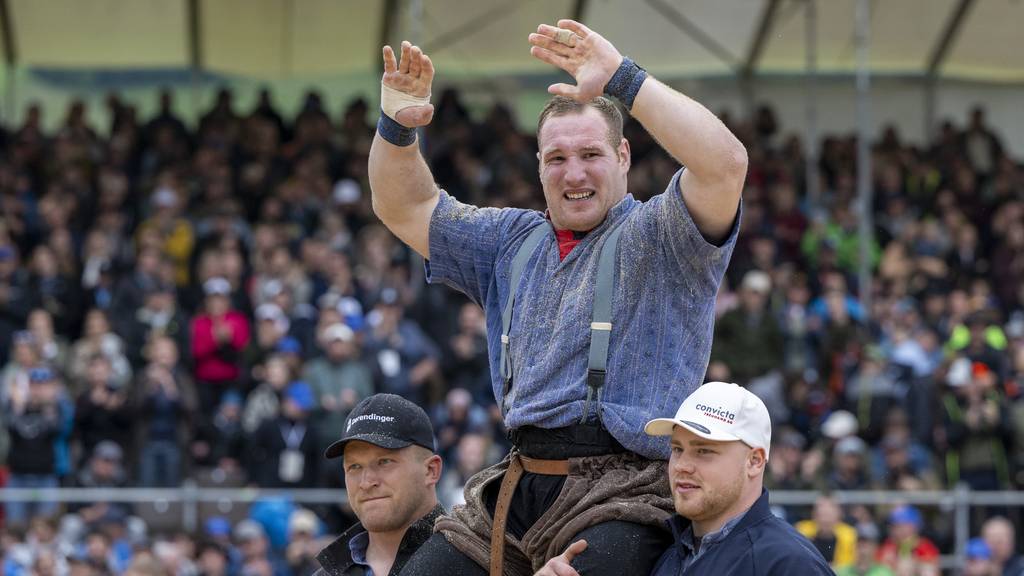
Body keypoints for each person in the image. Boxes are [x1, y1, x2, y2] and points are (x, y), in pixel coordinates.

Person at [371, 17, 746, 576]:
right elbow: (404, 208)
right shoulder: (509, 242)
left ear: (622, 157)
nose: (574, 173)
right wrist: (397, 129)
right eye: (556, 158)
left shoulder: (664, 233)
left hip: (627, 492)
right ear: (539, 167)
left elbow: (726, 164)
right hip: (517, 483)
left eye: (591, 155)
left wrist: (623, 77)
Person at [536, 382, 832, 575]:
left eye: (704, 451)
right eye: (677, 449)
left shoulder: (788, 563)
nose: (682, 466)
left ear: (754, 461)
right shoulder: (671, 554)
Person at [313, 394, 444, 576]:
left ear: (431, 470)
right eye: (354, 466)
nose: (366, 483)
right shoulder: (326, 573)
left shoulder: (477, 563)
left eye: (385, 462)